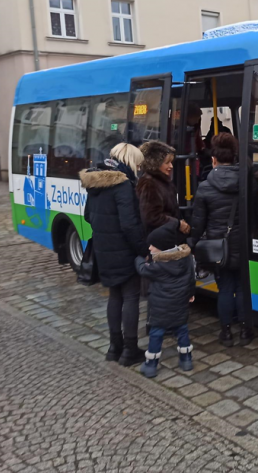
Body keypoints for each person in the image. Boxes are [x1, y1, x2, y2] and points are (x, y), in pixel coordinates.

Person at [190, 133, 258, 347]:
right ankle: (244, 331)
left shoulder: (205, 187)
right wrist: (255, 235)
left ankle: (226, 333)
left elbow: (198, 223)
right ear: (235, 158)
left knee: (224, 289)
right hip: (243, 243)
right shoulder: (249, 183)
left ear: (213, 159)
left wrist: (193, 244)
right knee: (242, 287)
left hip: (217, 248)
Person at [80, 143, 149, 366]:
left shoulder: (96, 182)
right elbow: (129, 225)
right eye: (138, 164)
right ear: (129, 161)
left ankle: (114, 348)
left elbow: (88, 216)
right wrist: (143, 249)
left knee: (114, 296)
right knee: (130, 297)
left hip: (103, 249)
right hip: (124, 250)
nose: (139, 168)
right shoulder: (123, 186)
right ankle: (129, 350)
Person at [135, 220, 196, 378]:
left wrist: (139, 258)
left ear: (162, 248)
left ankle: (151, 365)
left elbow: (142, 269)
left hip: (160, 308)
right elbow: (191, 278)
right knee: (182, 330)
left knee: (156, 334)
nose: (149, 248)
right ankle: (186, 360)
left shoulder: (158, 265)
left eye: (152, 246)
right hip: (180, 305)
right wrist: (191, 293)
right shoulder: (186, 259)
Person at [136, 141, 190, 237]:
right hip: (159, 240)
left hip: (165, 236)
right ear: (155, 163)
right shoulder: (149, 184)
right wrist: (178, 224)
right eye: (167, 162)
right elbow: (152, 217)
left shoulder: (161, 181)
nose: (171, 166)